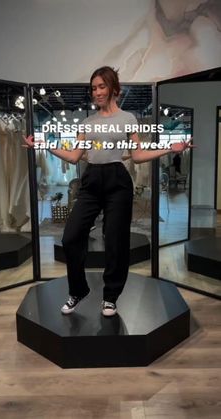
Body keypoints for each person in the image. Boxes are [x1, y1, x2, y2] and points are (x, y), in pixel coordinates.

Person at [23, 66, 193, 317]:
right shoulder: (87, 122)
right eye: (93, 88)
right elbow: (73, 157)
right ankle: (78, 290)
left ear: (114, 89)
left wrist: (170, 148)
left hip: (117, 181)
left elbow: (137, 156)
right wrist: (45, 144)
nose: (97, 92)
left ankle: (111, 296)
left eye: (101, 86)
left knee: (115, 241)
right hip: (91, 180)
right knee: (71, 236)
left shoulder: (128, 119)